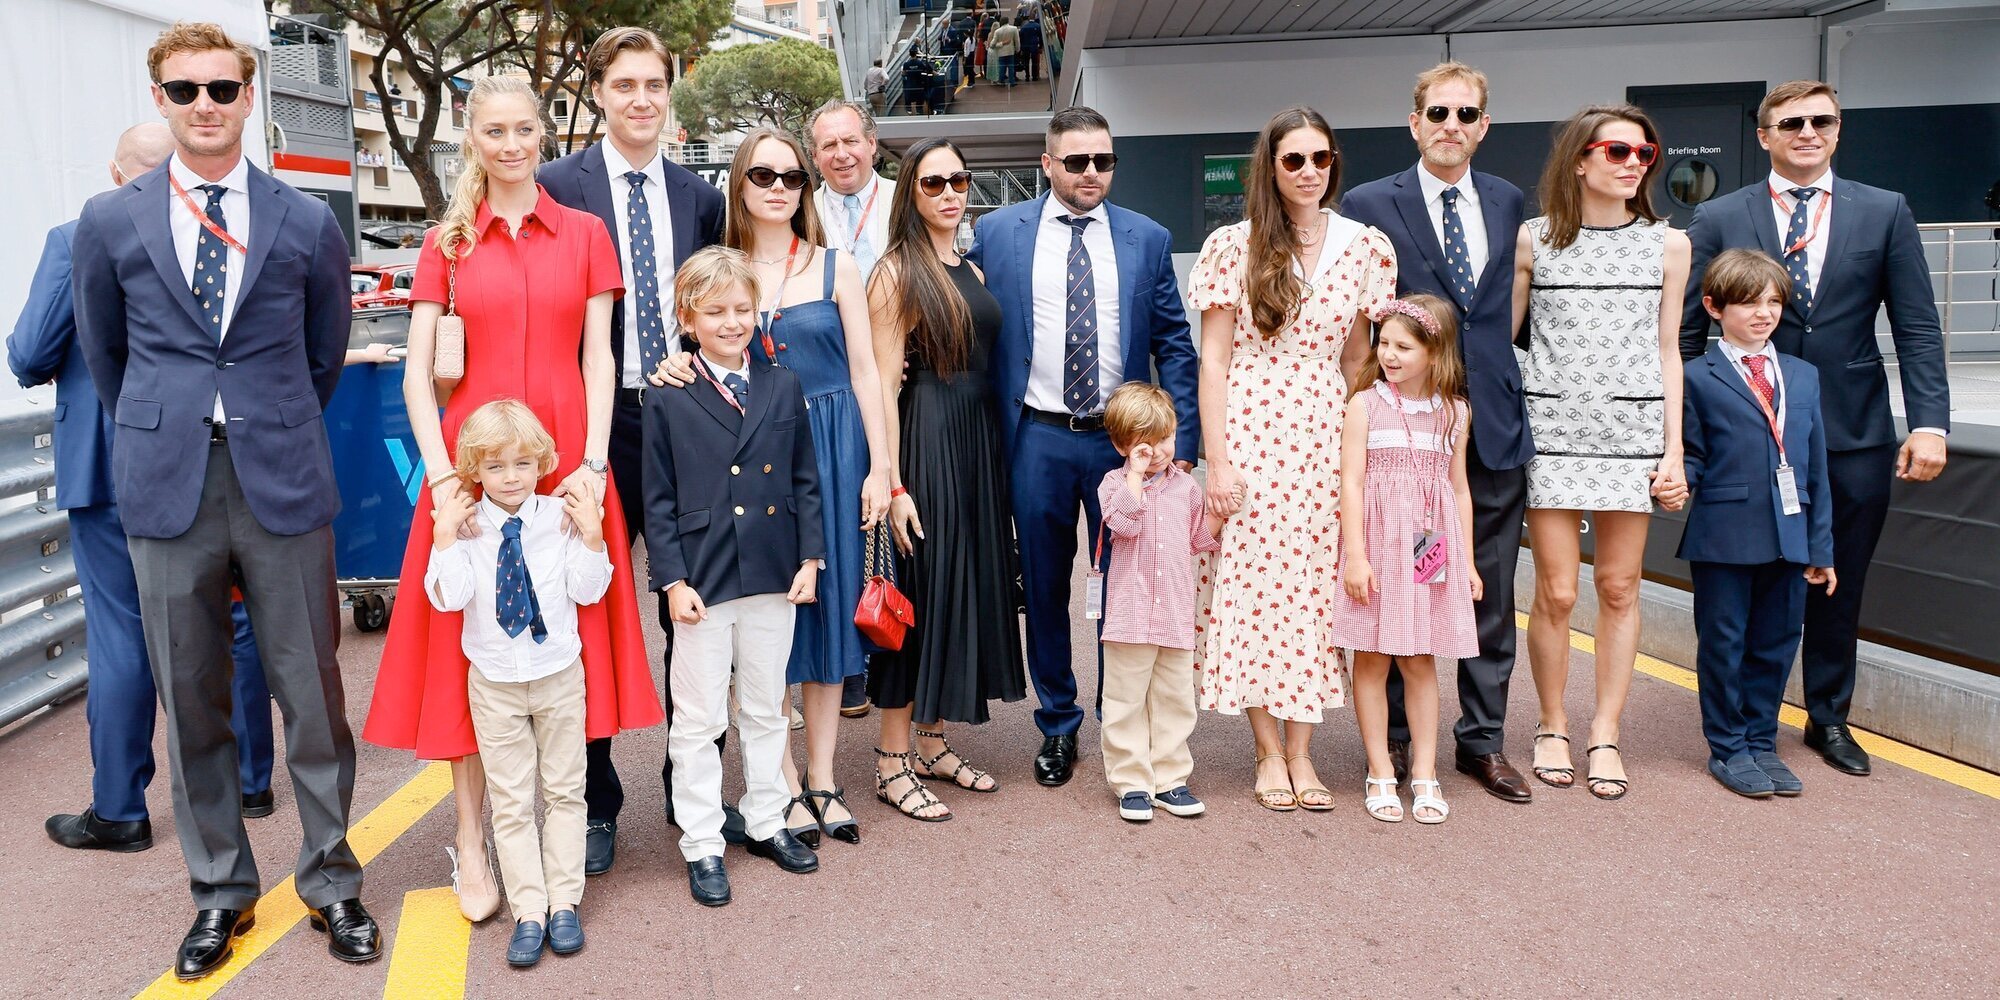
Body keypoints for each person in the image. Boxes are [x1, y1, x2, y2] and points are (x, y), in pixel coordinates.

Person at [70, 21, 378, 979]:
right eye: (184, 89)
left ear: (250, 98)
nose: (204, 104)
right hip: (170, 484)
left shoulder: (303, 219)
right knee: (191, 697)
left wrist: (266, 420)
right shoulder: (110, 220)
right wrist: (170, 430)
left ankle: (331, 878)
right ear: (160, 98)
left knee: (313, 697)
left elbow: (324, 352)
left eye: (221, 87)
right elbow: (105, 354)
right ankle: (219, 892)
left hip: (281, 478)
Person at [363, 75, 663, 922]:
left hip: (566, 459)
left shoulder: (588, 233)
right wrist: (442, 477)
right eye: (494, 131)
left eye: (524, 129)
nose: (510, 145)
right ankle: (472, 835)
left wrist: (595, 463)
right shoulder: (445, 243)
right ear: (472, 138)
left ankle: (569, 819)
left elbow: (601, 359)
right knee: (463, 653)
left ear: (542, 134)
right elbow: (419, 375)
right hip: (470, 465)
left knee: (569, 646)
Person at [14, 122, 277, 854]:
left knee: (122, 630)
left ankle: (120, 805)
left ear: (113, 169)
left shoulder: (79, 236)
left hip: (106, 464)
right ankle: (253, 780)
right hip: (211, 455)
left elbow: (31, 353)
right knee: (236, 618)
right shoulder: (228, 229)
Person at [1679, 80, 1950, 778]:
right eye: (1790, 122)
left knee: (1837, 581)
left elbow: (1917, 326)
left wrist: (1930, 424)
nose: (1808, 132)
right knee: (1742, 590)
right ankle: (1740, 731)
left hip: (1851, 433)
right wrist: (1685, 431)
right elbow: (1681, 335)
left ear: (1838, 129)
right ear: (1764, 134)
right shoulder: (1718, 215)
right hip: (1744, 436)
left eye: (1821, 121)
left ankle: (1827, 717)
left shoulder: (1883, 212)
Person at [660, 127, 889, 847]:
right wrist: (671, 366)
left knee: (825, 615)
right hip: (758, 459)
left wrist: (882, 467)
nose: (780, 187)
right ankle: (781, 782)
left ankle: (822, 775)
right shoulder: (718, 270)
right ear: (740, 183)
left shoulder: (835, 265)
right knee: (766, 620)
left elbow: (865, 371)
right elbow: (696, 346)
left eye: (794, 176)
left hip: (836, 445)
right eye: (764, 174)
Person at [537, 26, 726, 875]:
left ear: (669, 92)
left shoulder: (700, 196)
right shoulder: (554, 187)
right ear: (600, 92)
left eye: (655, 83)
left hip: (684, 423)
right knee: (590, 614)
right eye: (625, 84)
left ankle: (695, 789)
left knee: (692, 608)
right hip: (592, 427)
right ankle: (596, 798)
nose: (641, 98)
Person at [967, 105, 1198, 789]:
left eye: (1103, 160)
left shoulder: (1147, 238)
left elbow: (1174, 343)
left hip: (1121, 447)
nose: (1091, 173)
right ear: (1048, 164)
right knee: (1041, 586)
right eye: (1076, 161)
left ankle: (1119, 720)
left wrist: (1179, 438)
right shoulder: (996, 233)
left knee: (1124, 584)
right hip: (1035, 437)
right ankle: (1059, 723)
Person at [1342, 62, 1536, 803]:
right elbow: (1362, 322)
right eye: (1438, 113)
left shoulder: (1508, 200)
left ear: (1483, 125)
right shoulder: (1367, 203)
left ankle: (1481, 742)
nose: (1451, 125)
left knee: (1484, 593)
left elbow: (1501, 309)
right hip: (1396, 437)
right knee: (1396, 586)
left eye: (1466, 114)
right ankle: (1394, 740)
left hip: (1483, 432)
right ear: (1414, 122)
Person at [1190, 106, 1392, 812]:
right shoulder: (1233, 246)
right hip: (1248, 425)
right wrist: (1217, 461)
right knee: (1250, 588)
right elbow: (1212, 362)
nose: (1310, 173)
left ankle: (1303, 752)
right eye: (1294, 160)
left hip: (1323, 431)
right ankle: (1266, 750)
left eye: (1322, 159)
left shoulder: (1367, 246)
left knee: (1313, 590)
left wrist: (1365, 444)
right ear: (1270, 168)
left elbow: (1359, 358)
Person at [1511, 104, 1690, 801]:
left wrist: (1673, 450)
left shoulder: (1669, 246)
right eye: (1616, 150)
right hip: (1553, 434)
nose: (1631, 163)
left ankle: (1605, 731)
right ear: (1580, 159)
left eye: (1643, 153)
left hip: (1633, 435)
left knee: (1619, 587)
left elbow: (1669, 350)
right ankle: (1552, 722)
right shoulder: (1535, 241)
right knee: (1556, 591)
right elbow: (1506, 342)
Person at [644, 247, 825, 906]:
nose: (731, 322)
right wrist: (671, 580)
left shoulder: (782, 383)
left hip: (775, 569)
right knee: (696, 720)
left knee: (765, 707)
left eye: (742, 309)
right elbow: (657, 497)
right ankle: (701, 841)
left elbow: (805, 478)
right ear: (689, 319)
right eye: (715, 311)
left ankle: (768, 820)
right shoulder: (667, 393)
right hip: (703, 575)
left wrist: (811, 559)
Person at [868, 138, 1026, 821]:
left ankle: (932, 744)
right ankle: (890, 760)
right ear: (911, 192)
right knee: (924, 592)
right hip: (926, 437)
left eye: (959, 179)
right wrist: (894, 483)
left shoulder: (973, 270)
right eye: (933, 183)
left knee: (964, 589)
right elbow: (881, 384)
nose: (950, 192)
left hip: (976, 443)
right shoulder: (894, 273)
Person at [424, 401, 610, 966]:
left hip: (557, 675)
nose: (511, 477)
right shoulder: (470, 528)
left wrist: (594, 535)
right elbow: (449, 597)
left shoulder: (559, 519)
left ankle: (564, 904)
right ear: (475, 470)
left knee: (564, 791)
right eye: (497, 466)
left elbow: (588, 590)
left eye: (524, 464)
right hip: (496, 682)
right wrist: (446, 536)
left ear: (543, 463)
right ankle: (529, 910)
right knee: (509, 800)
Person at [1678, 250, 1836, 798]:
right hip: (1724, 532)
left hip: (1791, 532)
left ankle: (1762, 741)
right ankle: (1728, 747)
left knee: (1776, 641)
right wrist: (1676, 482)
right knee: (1723, 643)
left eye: (1773, 302)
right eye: (1748, 303)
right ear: (1714, 308)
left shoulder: (1802, 375)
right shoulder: (1694, 376)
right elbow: (1691, 453)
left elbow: (1814, 465)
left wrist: (1822, 547)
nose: (1763, 313)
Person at [1333, 295, 1480, 825]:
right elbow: (1349, 482)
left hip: (1428, 544)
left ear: (1434, 351)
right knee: (1371, 657)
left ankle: (1424, 772)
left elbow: (1458, 490)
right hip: (1376, 542)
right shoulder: (1364, 406)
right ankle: (1378, 770)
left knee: (1420, 658)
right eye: (1385, 344)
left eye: (1404, 346)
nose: (1389, 355)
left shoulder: (1454, 412)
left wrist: (1463, 561)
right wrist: (1355, 556)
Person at [1094, 383, 1220, 823]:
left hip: (1174, 613)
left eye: (1166, 440)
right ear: (1121, 446)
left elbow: (1198, 540)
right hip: (1129, 614)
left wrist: (1220, 513)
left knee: (1174, 698)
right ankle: (1131, 780)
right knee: (1125, 700)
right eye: (1145, 446)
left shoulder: (1186, 487)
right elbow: (1122, 525)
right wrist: (1134, 476)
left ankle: (1170, 777)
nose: (1160, 452)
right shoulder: (1113, 484)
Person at [809, 100, 895, 288]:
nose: (841, 154)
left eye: (850, 141)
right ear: (815, 156)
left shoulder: (908, 198)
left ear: (871, 143)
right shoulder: (803, 211)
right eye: (829, 145)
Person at [989, 17, 1020, 88]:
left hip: (1001, 52)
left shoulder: (997, 31)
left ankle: (1001, 81)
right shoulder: (1014, 29)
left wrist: (1001, 43)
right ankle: (1012, 81)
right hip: (1010, 51)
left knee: (1002, 67)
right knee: (1011, 67)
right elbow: (1017, 41)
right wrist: (1017, 49)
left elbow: (992, 44)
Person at [1019, 14, 1044, 83]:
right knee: (1034, 62)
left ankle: (1027, 76)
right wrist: (1040, 46)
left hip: (1025, 46)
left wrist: (1021, 47)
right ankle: (1034, 76)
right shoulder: (1037, 26)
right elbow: (1041, 37)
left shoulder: (1024, 27)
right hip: (1034, 46)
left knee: (1026, 62)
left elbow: (1021, 37)